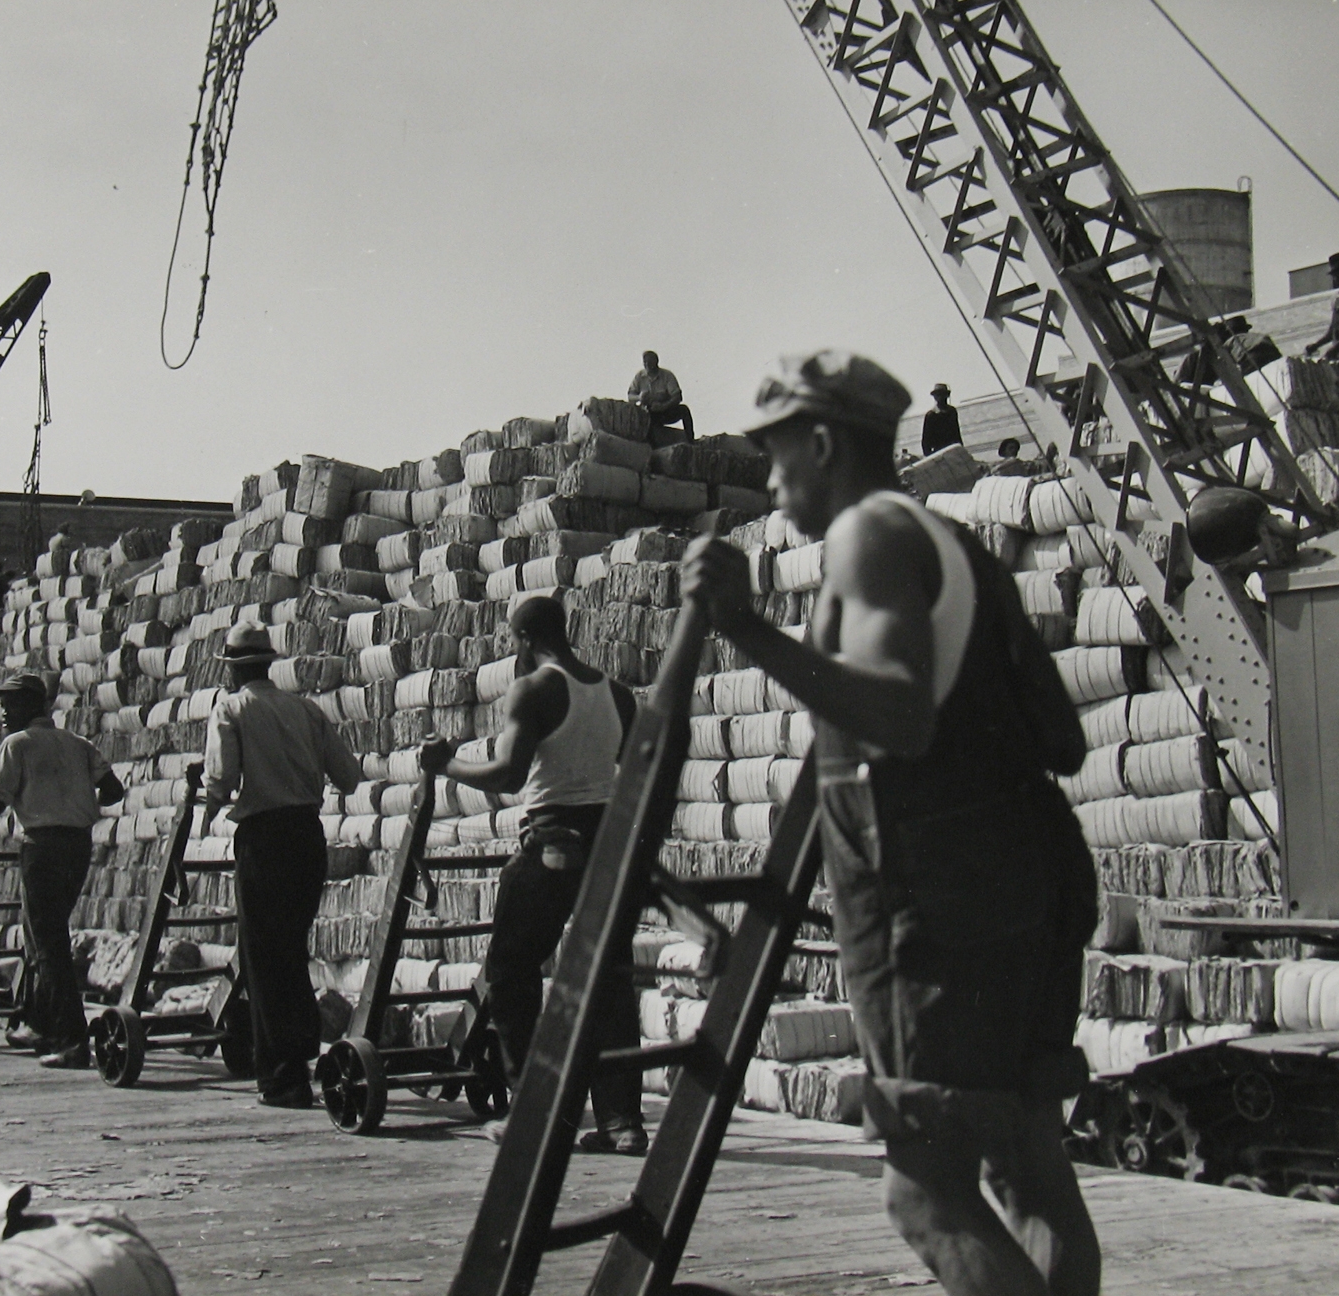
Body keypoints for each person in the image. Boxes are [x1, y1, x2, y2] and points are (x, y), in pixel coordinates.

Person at [681, 349, 1101, 1296]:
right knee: (1031, 1168)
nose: (770, 480)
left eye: (777, 454)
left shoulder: (868, 533)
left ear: (823, 442)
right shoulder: (957, 548)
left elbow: (902, 716)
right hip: (1030, 877)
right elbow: (1063, 739)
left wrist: (745, 629)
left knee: (926, 1195)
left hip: (939, 899)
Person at [421, 596, 644, 1155]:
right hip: (606, 842)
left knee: (511, 969)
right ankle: (622, 1122)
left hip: (551, 838)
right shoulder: (616, 694)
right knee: (609, 978)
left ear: (523, 638)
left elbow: (511, 774)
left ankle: (533, 1113)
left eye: (512, 642)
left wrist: (444, 764)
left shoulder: (534, 688)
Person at [202, 623, 365, 1108]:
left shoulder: (230, 709)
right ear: (268, 664)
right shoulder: (306, 710)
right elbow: (350, 777)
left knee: (265, 958)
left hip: (264, 840)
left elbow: (222, 777)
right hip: (306, 838)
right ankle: (300, 1053)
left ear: (232, 670)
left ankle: (281, 1075)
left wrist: (209, 805)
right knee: (292, 949)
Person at [0, 672, 123, 1068]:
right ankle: (39, 1021)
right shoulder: (78, 744)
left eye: (11, 704)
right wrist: (75, 795)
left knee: (48, 944)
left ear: (32, 705)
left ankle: (71, 1040)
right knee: (44, 934)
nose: (4, 713)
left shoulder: (17, 744)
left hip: (42, 848)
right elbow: (113, 790)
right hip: (77, 846)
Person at [627, 350, 694, 442]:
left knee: (684, 410)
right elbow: (630, 396)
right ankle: (650, 447)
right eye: (645, 362)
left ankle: (690, 439)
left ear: (656, 362)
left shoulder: (667, 376)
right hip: (648, 413)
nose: (647, 365)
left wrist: (663, 406)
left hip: (666, 411)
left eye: (650, 362)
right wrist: (639, 397)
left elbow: (677, 396)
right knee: (642, 418)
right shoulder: (639, 376)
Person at [919, 383, 962, 457]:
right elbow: (926, 441)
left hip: (952, 451)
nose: (940, 397)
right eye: (938, 395)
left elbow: (956, 433)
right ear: (935, 397)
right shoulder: (931, 415)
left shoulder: (952, 412)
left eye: (943, 394)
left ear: (947, 396)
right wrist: (930, 457)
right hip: (938, 453)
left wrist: (960, 449)